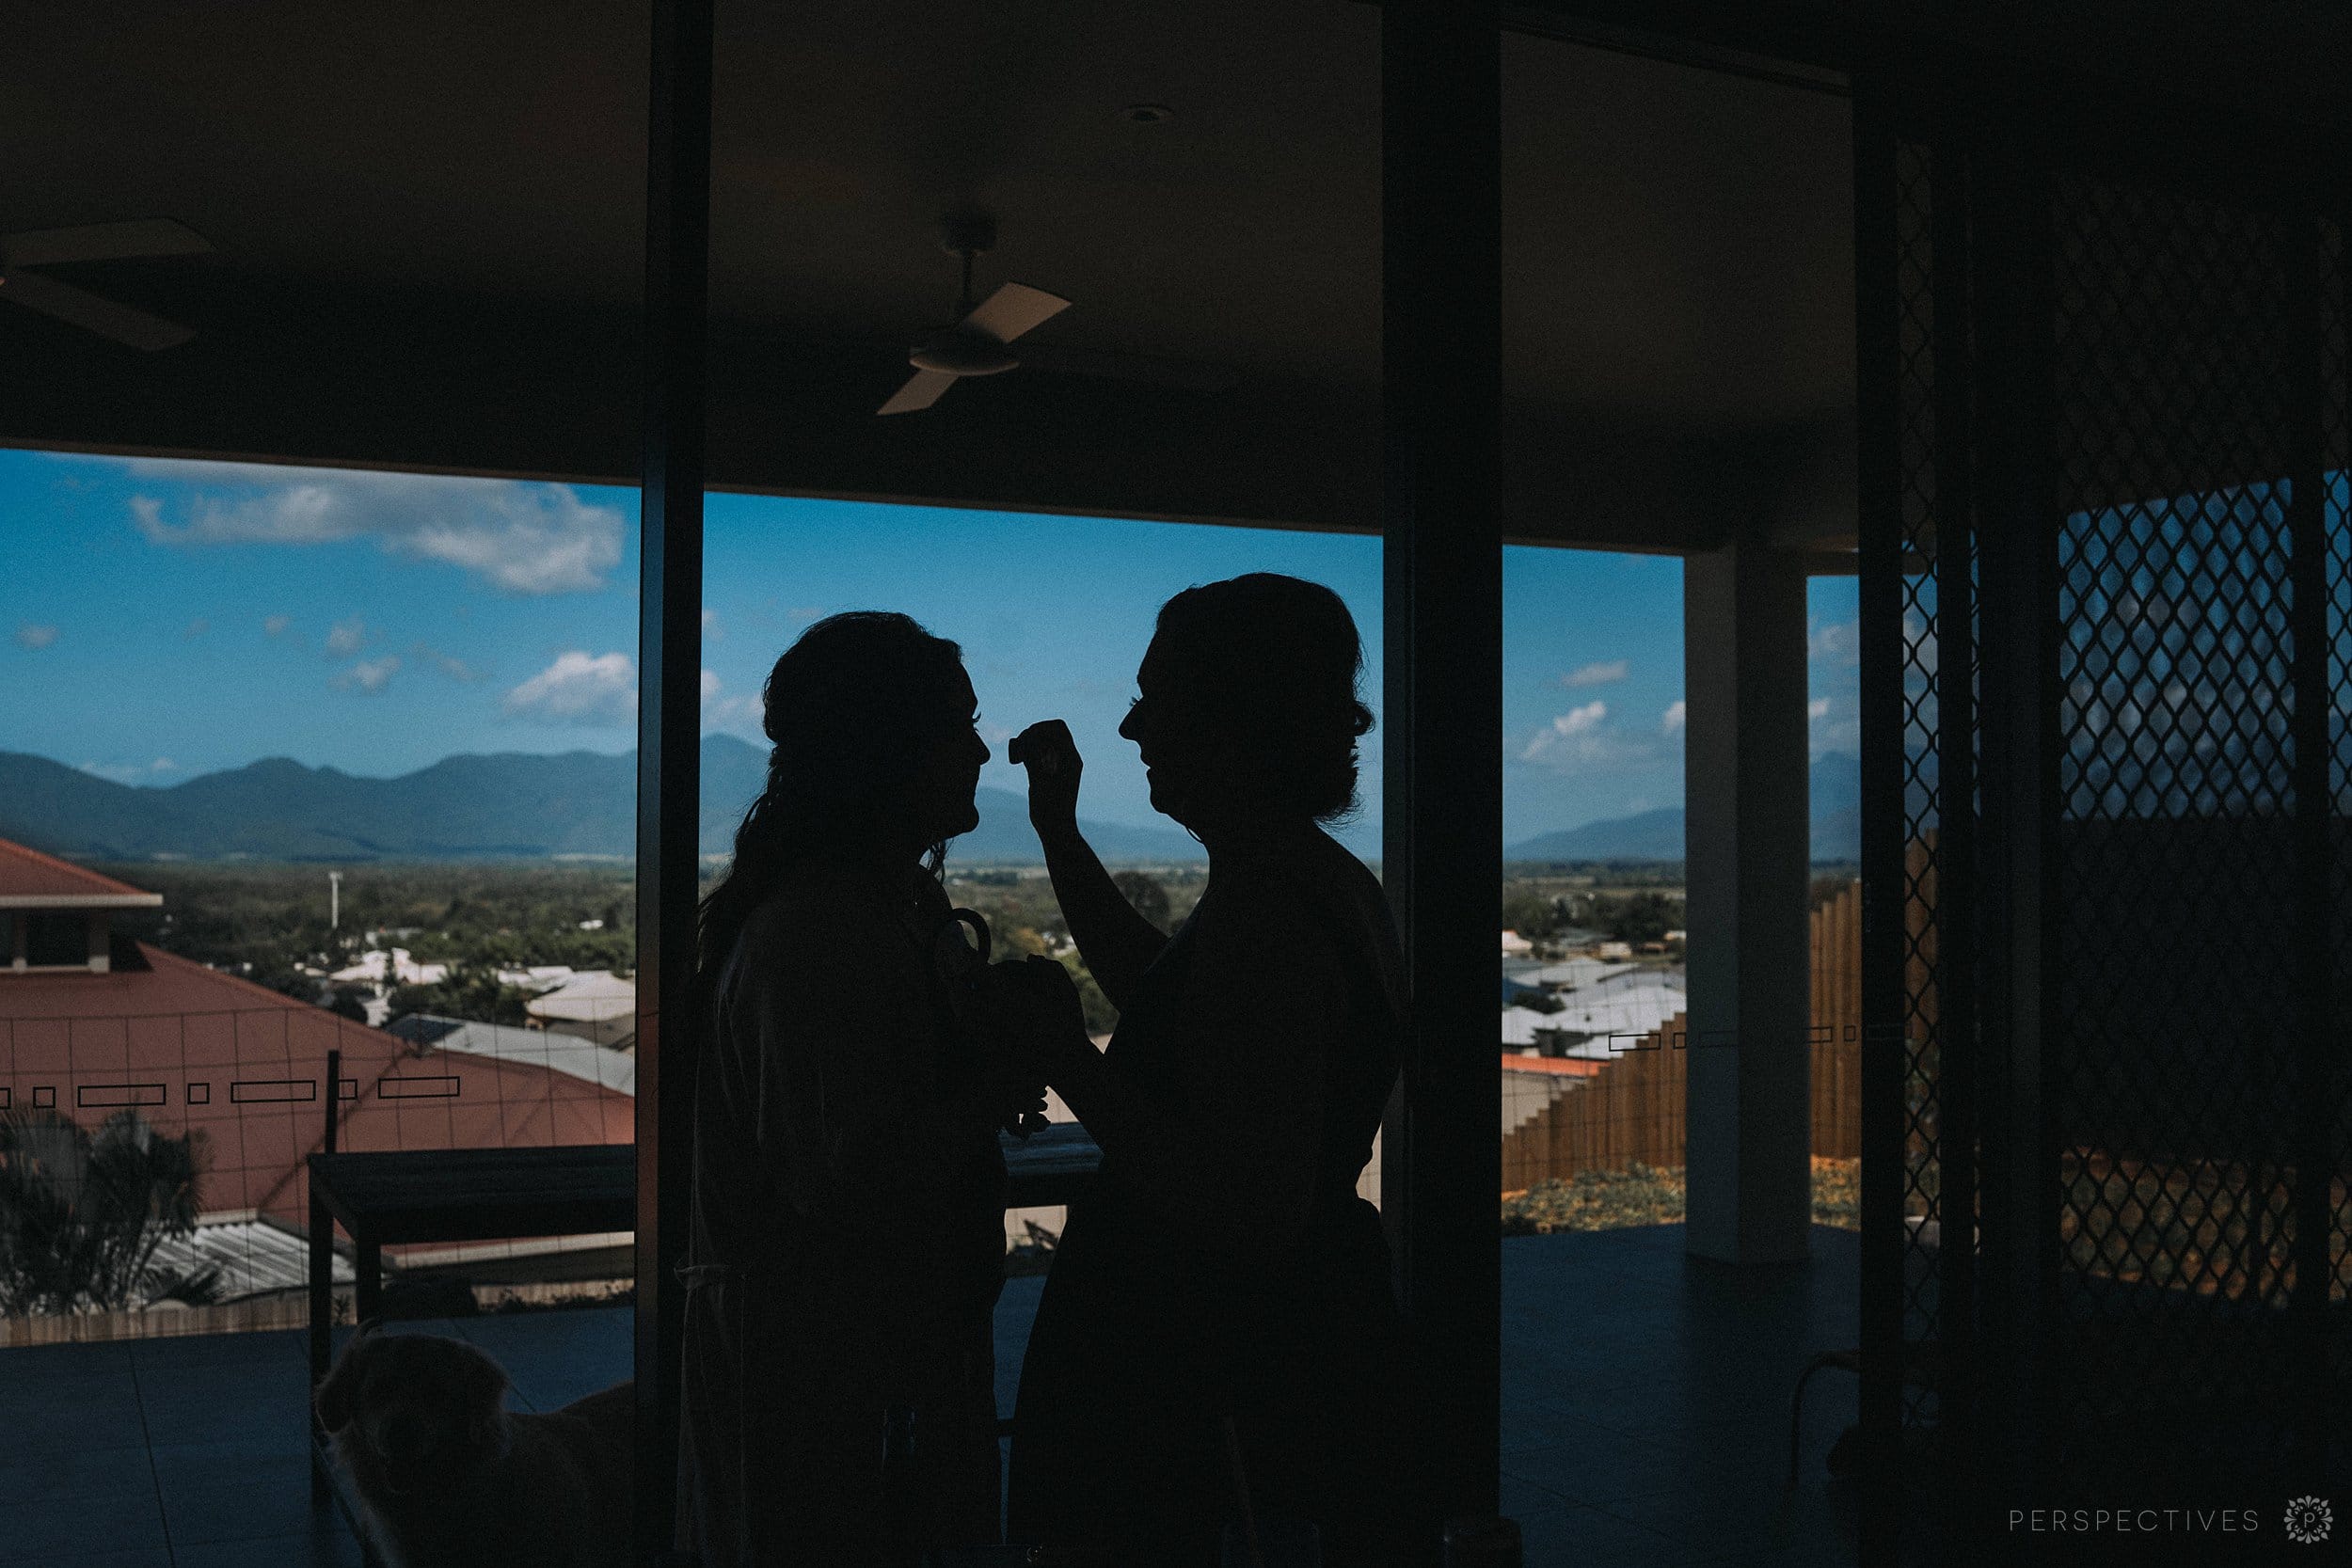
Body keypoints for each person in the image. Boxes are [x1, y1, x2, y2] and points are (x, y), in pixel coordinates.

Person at [1004, 574, 1413, 1566]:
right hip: (1293, 1327)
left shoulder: (1267, 915)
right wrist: (1060, 832)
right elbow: (1174, 999)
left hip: (1213, 1358)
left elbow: (1245, 1205)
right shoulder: (1305, 880)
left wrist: (1059, 1052)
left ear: (1232, 716)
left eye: (1158, 697)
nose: (1135, 726)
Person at [675, 611, 1041, 1565]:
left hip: (864, 1363)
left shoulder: (880, 904)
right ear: (887, 749)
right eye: (956, 725)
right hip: (824, 1378)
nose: (978, 747)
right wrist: (1002, 1072)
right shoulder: (820, 931)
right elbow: (848, 1174)